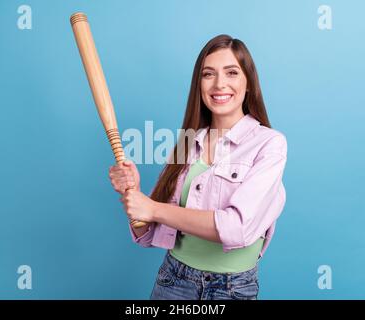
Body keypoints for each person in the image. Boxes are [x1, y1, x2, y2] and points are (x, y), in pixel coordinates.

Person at [108, 34, 287, 300]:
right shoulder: (187, 144)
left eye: (232, 73)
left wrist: (154, 208)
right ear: (199, 84)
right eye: (208, 74)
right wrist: (133, 193)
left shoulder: (270, 144)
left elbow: (236, 228)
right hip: (173, 282)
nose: (219, 84)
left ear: (248, 82)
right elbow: (147, 233)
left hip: (232, 289)